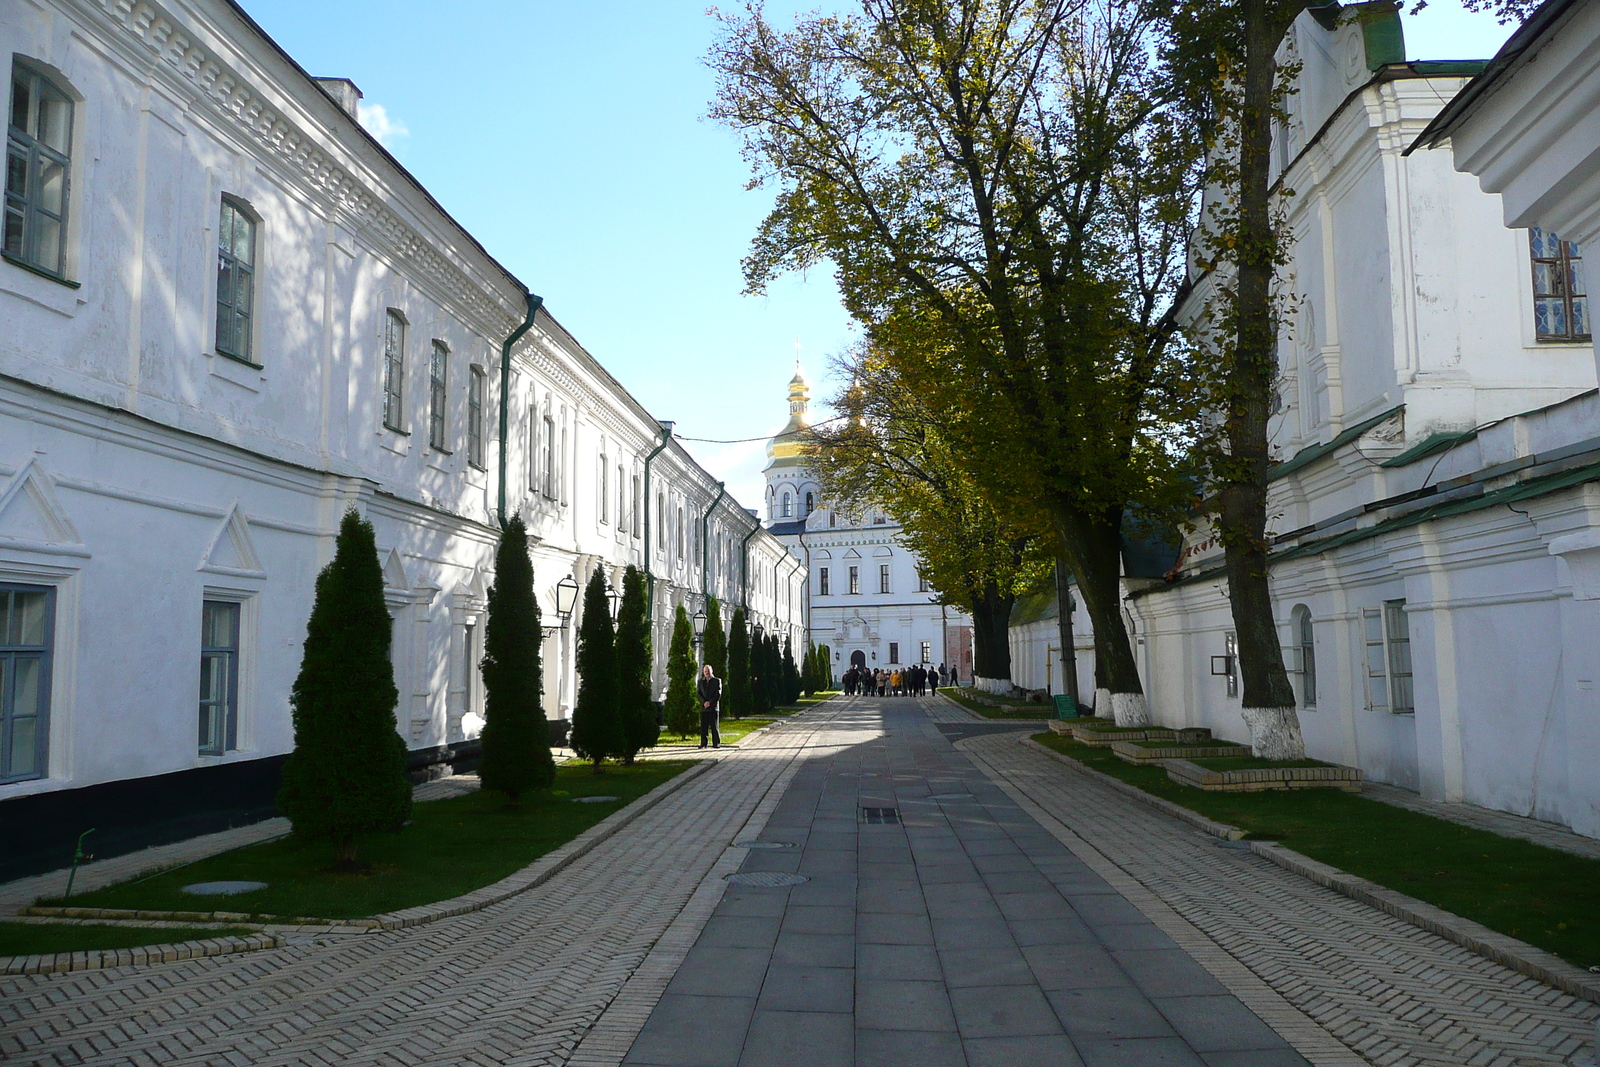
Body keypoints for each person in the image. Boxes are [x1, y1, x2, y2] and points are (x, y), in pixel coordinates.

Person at [696, 664, 722, 749]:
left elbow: (718, 694)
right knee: (704, 727)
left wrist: (710, 702)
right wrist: (704, 702)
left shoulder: (717, 681)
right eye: (705, 671)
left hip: (713, 707)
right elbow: (698, 693)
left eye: (708, 671)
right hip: (704, 708)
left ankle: (716, 743)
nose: (707, 673)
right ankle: (703, 743)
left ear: (711, 671)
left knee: (714, 726)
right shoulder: (700, 681)